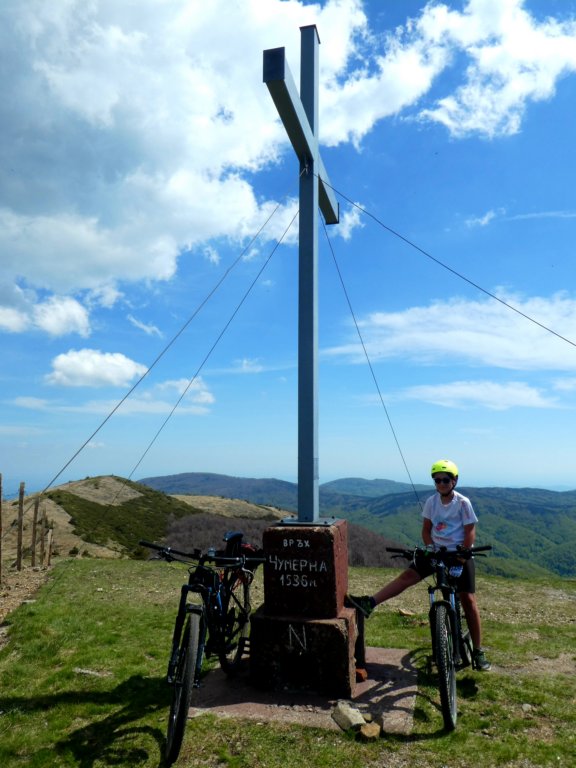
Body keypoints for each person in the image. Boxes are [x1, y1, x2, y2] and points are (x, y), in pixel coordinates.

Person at [347, 459, 491, 671]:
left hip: (459, 554)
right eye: (437, 480)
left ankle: (478, 651)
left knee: (468, 600)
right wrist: (430, 546)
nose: (441, 483)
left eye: (445, 480)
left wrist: (462, 557)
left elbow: (470, 531)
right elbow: (426, 529)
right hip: (436, 552)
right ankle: (370, 603)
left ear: (454, 481)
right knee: (407, 576)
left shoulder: (463, 503)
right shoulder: (432, 502)